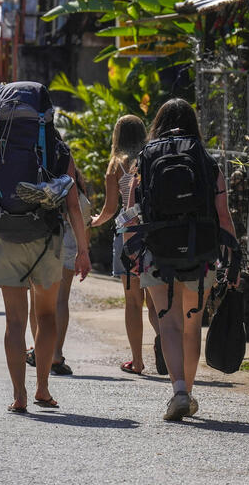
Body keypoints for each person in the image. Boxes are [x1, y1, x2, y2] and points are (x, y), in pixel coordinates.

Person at [0, 81, 90, 413]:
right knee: (47, 314)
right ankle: (43, 388)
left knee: (14, 322)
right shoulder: (58, 149)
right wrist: (82, 249)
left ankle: (19, 395)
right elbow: (74, 204)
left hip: (6, 236)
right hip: (46, 237)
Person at [124, 98, 237, 421]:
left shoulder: (144, 160)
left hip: (157, 250)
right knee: (191, 324)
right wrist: (231, 255)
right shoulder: (206, 161)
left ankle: (179, 391)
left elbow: (132, 214)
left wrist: (131, 251)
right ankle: (188, 388)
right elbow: (223, 215)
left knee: (168, 323)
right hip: (200, 251)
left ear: (157, 124)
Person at [89, 114, 162, 376]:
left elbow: (110, 209)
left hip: (128, 235)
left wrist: (94, 222)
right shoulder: (150, 158)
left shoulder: (116, 165)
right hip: (154, 236)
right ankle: (169, 342)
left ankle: (137, 361)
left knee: (133, 303)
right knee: (155, 302)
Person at [26, 167, 92, 376]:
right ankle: (55, 354)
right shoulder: (77, 193)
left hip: (42, 246)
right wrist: (84, 251)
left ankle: (38, 348)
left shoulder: (38, 185)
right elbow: (85, 222)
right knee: (61, 301)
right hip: (69, 250)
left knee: (37, 300)